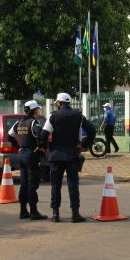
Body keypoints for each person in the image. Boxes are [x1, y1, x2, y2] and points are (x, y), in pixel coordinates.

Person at [40, 93, 96, 223]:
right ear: (69, 103)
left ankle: (55, 214)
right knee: (73, 185)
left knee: (55, 185)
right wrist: (84, 145)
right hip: (72, 155)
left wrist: (43, 147)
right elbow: (92, 130)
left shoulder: (53, 116)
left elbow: (44, 134)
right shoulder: (79, 116)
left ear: (59, 103)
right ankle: (75, 214)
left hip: (56, 156)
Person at [9, 100, 47, 221]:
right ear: (34, 110)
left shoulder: (18, 122)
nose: (39, 111)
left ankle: (23, 211)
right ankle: (34, 212)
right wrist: (41, 148)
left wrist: (19, 147)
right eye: (38, 109)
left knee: (24, 184)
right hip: (31, 155)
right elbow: (40, 136)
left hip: (22, 155)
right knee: (32, 184)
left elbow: (9, 136)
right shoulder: (34, 122)